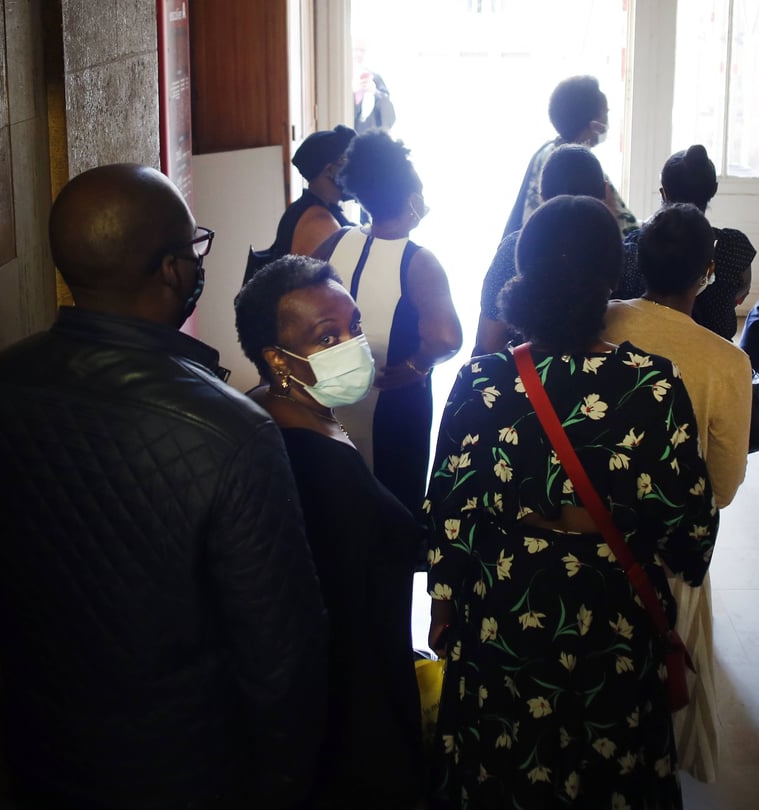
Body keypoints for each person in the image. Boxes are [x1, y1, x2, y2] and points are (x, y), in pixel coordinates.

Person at [0, 164, 328, 810]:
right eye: (192, 250)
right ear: (170, 271)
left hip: (38, 749)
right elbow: (282, 661)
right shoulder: (231, 433)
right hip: (190, 768)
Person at [425, 196, 719, 809]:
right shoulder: (652, 384)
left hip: (502, 628)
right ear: (615, 278)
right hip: (609, 632)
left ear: (522, 272)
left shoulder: (480, 383)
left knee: (503, 775)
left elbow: (447, 519)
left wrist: (447, 604)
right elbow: (689, 533)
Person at [234, 255, 425, 809]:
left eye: (355, 327)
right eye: (327, 336)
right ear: (278, 359)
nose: (353, 346)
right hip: (351, 717)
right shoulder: (306, 463)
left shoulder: (279, 412)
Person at [602, 203, 751, 784]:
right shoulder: (725, 363)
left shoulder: (600, 321)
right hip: (670, 548)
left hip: (581, 523)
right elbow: (724, 485)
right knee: (664, 681)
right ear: (707, 273)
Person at [313, 131, 462, 515]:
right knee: (393, 510)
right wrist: (417, 365)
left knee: (343, 503)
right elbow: (447, 337)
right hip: (394, 402)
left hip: (336, 395)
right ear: (412, 200)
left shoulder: (337, 241)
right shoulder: (419, 261)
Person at [473, 144, 609, 356]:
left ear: (542, 195)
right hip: (609, 381)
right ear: (605, 191)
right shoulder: (620, 253)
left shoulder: (516, 249)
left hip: (525, 380)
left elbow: (489, 342)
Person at [614, 145, 756, 340]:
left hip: (641, 352)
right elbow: (741, 293)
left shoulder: (634, 247)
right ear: (714, 189)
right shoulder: (735, 246)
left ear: (663, 193)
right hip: (714, 354)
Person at [501, 75, 637, 239]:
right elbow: (624, 229)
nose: (607, 122)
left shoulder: (548, 152)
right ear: (592, 123)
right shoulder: (577, 163)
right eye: (605, 113)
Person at [244, 126, 357, 286]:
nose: (355, 173)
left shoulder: (303, 208)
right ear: (329, 169)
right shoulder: (320, 222)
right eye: (347, 163)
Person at [352, 39, 395, 136]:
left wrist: (375, 92)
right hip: (349, 131)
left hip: (370, 133)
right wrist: (353, 93)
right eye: (355, 50)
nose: (358, 54)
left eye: (362, 51)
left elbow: (388, 114)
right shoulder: (341, 79)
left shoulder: (375, 77)